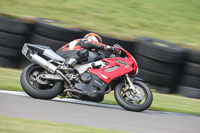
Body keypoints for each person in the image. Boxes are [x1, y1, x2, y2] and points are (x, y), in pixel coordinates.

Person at [56, 32, 121, 66]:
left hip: (69, 56)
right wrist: (108, 48)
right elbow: (91, 44)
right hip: (63, 53)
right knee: (84, 52)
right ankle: (65, 65)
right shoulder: (83, 41)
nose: (95, 49)